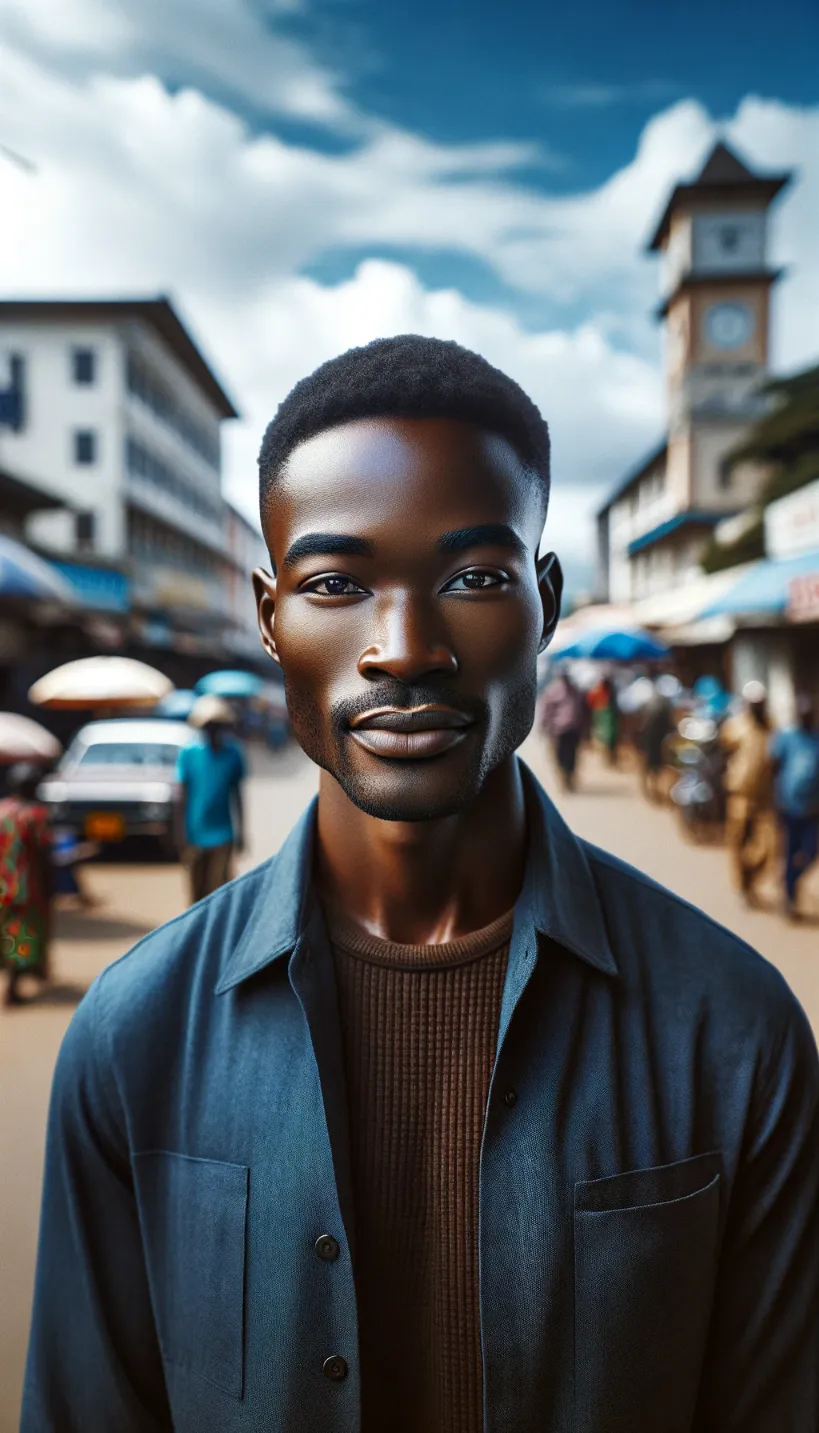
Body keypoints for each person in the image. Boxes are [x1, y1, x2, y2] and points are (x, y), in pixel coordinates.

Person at [24, 336, 819, 1433]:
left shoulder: (732, 1028)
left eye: (475, 578)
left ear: (543, 600)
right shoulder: (134, 1032)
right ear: (270, 616)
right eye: (337, 582)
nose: (403, 648)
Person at [176, 696, 246, 905]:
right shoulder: (189, 753)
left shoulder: (233, 753)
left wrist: (241, 831)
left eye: (218, 726)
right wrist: (179, 834)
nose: (213, 731)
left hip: (223, 832)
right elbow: (181, 796)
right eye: (209, 726)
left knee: (221, 888)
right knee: (196, 891)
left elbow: (237, 795)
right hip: (194, 831)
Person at [0, 762, 51, 1008]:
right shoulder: (34, 815)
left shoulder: (2, 810)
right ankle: (12, 988)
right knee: (20, 937)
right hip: (24, 886)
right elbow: (43, 853)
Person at [720, 680, 775, 905]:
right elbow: (723, 751)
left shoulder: (771, 726)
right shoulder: (736, 725)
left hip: (764, 798)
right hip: (740, 795)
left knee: (768, 846)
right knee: (738, 841)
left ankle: (752, 874)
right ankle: (743, 884)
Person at [770, 693, 819, 919]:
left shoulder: (816, 740)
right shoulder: (787, 738)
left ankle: (791, 878)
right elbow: (775, 768)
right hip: (789, 808)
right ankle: (789, 895)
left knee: (809, 852)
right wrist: (776, 800)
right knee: (790, 851)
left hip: (812, 810)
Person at [538, 667, 586, 791]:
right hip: (558, 731)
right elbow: (546, 711)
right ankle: (564, 777)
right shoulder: (553, 691)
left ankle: (569, 776)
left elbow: (582, 710)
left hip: (573, 729)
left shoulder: (575, 691)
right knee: (560, 755)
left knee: (572, 755)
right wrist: (544, 726)